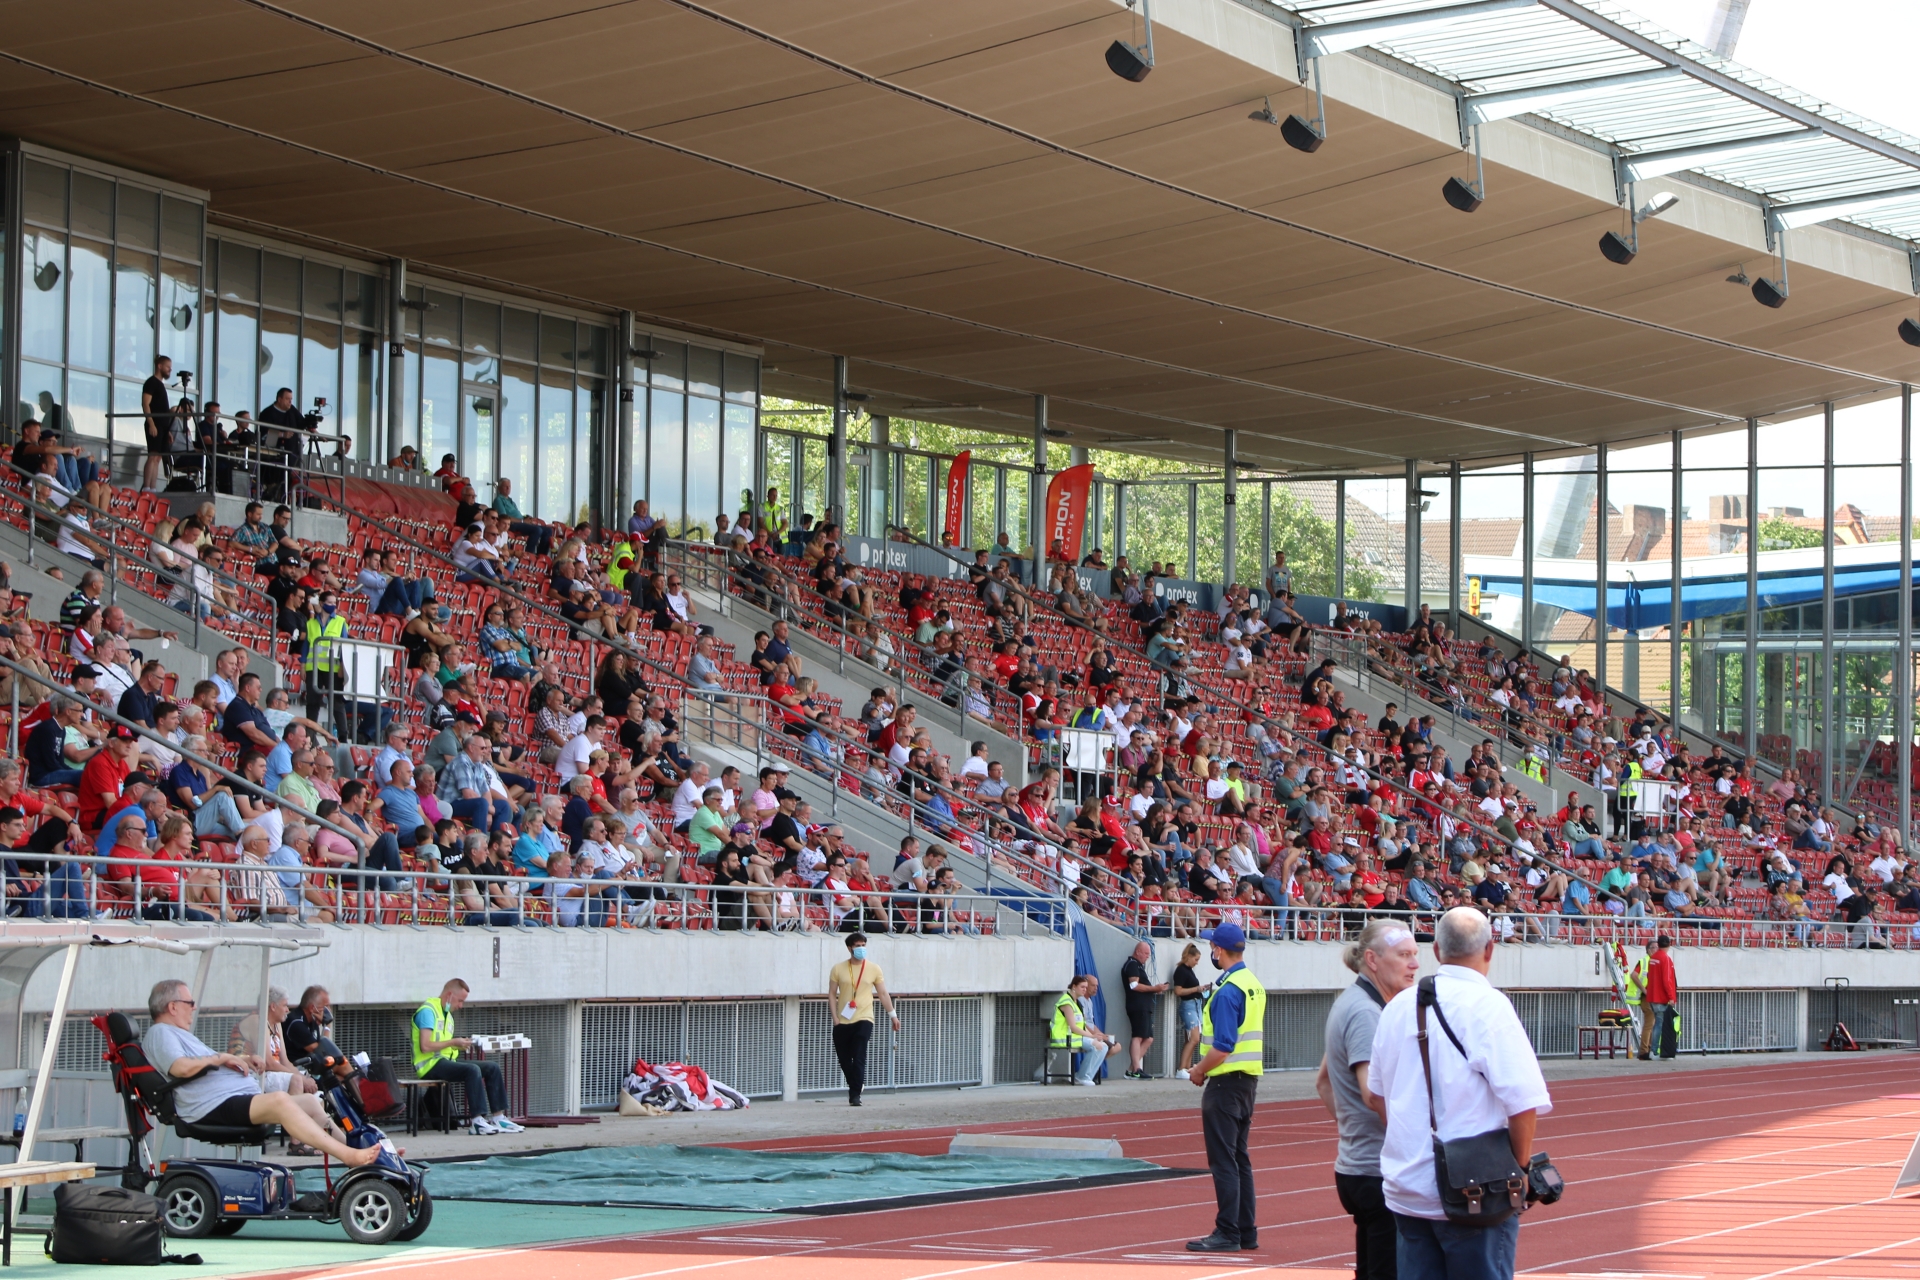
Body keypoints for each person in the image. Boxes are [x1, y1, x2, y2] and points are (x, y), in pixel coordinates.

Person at [1371, 907, 1551, 1280]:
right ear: (1490, 949)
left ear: (1436, 950)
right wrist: (1518, 1170)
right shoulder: (1489, 1006)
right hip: (1475, 1190)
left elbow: (1376, 1096)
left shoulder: (1397, 1007)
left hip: (1408, 1188)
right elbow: (1523, 1103)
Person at [140, 979, 375, 1165]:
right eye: (189, 1003)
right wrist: (224, 1057)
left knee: (311, 1103)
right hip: (212, 1105)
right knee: (281, 1101)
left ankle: (355, 1149)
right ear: (172, 1006)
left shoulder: (180, 1034)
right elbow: (180, 1067)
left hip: (230, 1098)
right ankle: (347, 1156)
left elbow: (206, 1061)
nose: (194, 1008)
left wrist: (241, 1059)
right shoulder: (161, 1033)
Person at [1317, 920, 1422, 1280]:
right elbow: (1374, 1094)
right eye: (1404, 955)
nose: (1415, 964)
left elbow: (1323, 1082)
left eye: (1415, 954)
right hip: (1376, 1172)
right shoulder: (1366, 1013)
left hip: (1358, 1166)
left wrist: (1352, 1128)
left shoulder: (1354, 1002)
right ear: (1373, 960)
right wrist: (1411, 1145)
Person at [1186, 922, 1265, 1252]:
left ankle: (1228, 1231)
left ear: (1219, 950)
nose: (1211, 952)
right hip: (1247, 1083)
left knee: (1224, 1162)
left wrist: (1198, 1070)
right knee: (1239, 1158)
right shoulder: (1252, 983)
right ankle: (1246, 1231)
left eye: (1212, 947)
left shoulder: (1228, 990)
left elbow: (1223, 1045)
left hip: (1225, 1084)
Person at [411, 978, 524, 1135]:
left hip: (445, 1062)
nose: (461, 1006)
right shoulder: (428, 1011)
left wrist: (459, 1045)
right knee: (472, 1070)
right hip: (429, 1065)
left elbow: (443, 1044)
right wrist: (453, 1042)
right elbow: (425, 1046)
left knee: (492, 1067)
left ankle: (499, 1117)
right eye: (460, 1001)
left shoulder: (447, 1015)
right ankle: (477, 1121)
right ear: (449, 995)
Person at [827, 932, 899, 1107]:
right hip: (843, 1019)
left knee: (859, 1055)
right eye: (857, 946)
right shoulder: (838, 968)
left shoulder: (874, 968)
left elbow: (883, 993)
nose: (861, 949)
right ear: (849, 948)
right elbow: (832, 994)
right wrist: (835, 1017)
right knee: (844, 1060)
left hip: (864, 1017)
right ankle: (857, 1083)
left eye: (863, 945)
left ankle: (855, 1095)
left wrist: (893, 1016)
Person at [1049, 974, 1117, 1086]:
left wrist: (1095, 1036)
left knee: (1103, 1046)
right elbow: (1073, 1027)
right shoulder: (1066, 1002)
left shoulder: (1077, 1003)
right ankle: (1083, 1077)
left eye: (1086, 987)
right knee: (1096, 1046)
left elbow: (1082, 1025)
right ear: (1074, 987)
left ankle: (1085, 1076)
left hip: (1074, 1036)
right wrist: (1092, 1037)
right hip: (1064, 1037)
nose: (1085, 989)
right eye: (1082, 987)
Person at [1121, 940, 1166, 1079]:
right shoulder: (1132, 964)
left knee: (1149, 1038)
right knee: (1138, 1036)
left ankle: (1132, 1069)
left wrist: (1156, 990)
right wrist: (1154, 988)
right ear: (1138, 952)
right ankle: (1137, 1069)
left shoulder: (1138, 966)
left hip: (1144, 1006)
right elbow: (1134, 985)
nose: (1147, 956)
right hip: (1137, 1006)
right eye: (1146, 953)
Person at [1642, 934, 1678, 1060]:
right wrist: (1671, 997)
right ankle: (1654, 1051)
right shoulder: (1665, 959)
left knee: (1657, 1023)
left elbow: (1650, 977)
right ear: (1669, 945)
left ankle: (1654, 1050)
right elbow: (1667, 980)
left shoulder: (1653, 958)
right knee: (1659, 1024)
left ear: (1658, 944)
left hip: (1652, 996)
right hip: (1661, 997)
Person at [1172, 942, 1206, 1073]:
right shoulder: (1181, 970)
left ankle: (1186, 1068)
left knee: (1191, 1039)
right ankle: (1181, 1068)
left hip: (1195, 1005)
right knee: (1194, 1038)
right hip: (1188, 1006)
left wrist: (1199, 989)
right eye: (1196, 959)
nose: (1197, 963)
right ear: (1189, 957)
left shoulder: (1189, 971)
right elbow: (1178, 991)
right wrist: (1196, 989)